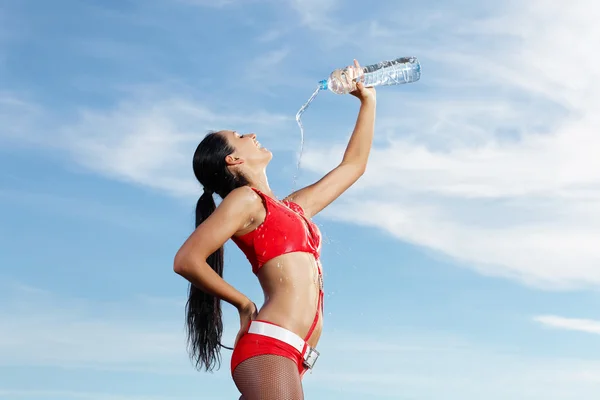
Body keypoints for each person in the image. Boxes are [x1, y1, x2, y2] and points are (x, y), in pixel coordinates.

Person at [173, 59, 376, 400]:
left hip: (295, 355)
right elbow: (187, 260)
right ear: (233, 161)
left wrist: (367, 101)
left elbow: (353, 166)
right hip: (271, 345)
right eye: (239, 137)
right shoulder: (245, 200)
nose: (251, 135)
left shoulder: (292, 208)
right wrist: (243, 304)